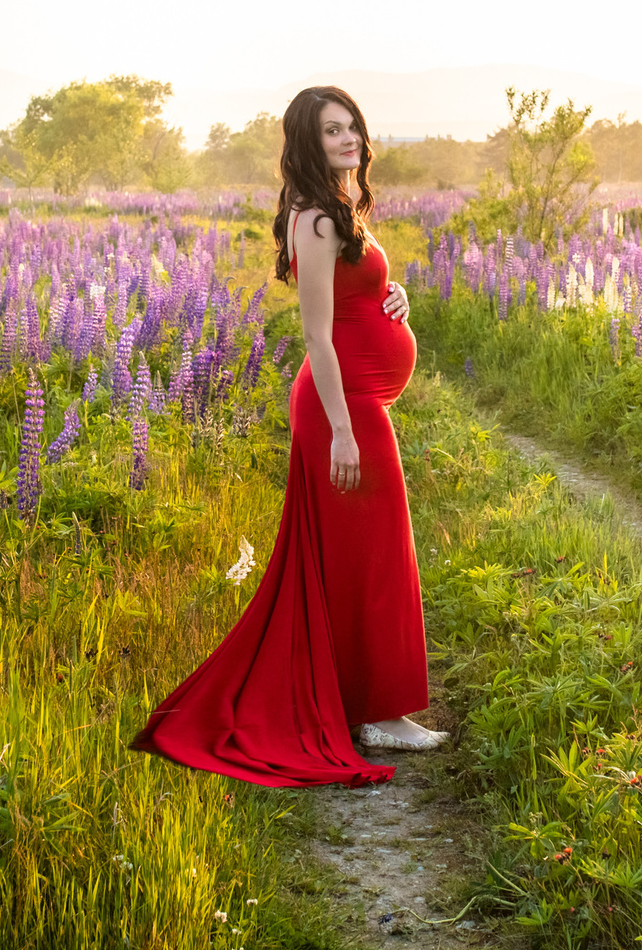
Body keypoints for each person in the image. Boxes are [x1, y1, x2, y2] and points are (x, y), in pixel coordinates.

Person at [129, 85, 444, 785]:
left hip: (356, 402)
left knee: (365, 556)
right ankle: (381, 716)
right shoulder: (317, 221)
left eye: (353, 126)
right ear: (308, 142)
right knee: (377, 556)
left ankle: (369, 706)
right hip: (343, 405)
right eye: (333, 130)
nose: (350, 138)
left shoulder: (339, 210)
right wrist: (339, 430)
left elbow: (354, 300)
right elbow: (316, 336)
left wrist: (397, 300)